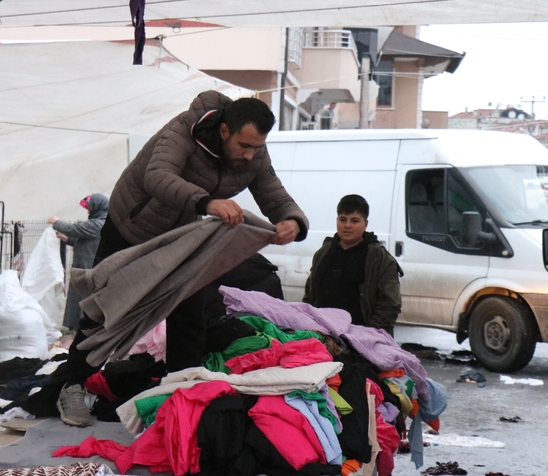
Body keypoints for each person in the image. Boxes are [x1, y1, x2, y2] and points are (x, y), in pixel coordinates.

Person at [57, 90, 309, 427]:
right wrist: (207, 203)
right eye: (244, 146)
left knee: (190, 311)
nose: (250, 156)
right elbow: (157, 175)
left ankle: (179, 394)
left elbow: (273, 193)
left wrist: (293, 220)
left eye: (256, 147)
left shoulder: (255, 156)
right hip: (130, 225)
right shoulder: (184, 131)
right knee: (106, 308)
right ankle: (71, 385)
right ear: (224, 132)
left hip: (181, 235)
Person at [303, 194, 402, 336]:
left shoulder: (379, 259)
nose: (347, 225)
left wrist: (369, 336)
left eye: (355, 220)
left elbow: (389, 304)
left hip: (362, 340)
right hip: (322, 335)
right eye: (343, 219)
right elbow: (309, 294)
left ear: (365, 224)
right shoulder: (324, 253)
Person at [47, 194, 109, 331]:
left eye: (89, 208)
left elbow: (74, 229)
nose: (87, 212)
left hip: (87, 270)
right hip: (84, 268)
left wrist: (57, 222)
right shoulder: (99, 223)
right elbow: (85, 242)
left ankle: (82, 328)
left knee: (83, 300)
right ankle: (77, 327)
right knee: (78, 299)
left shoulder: (99, 224)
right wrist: (66, 239)